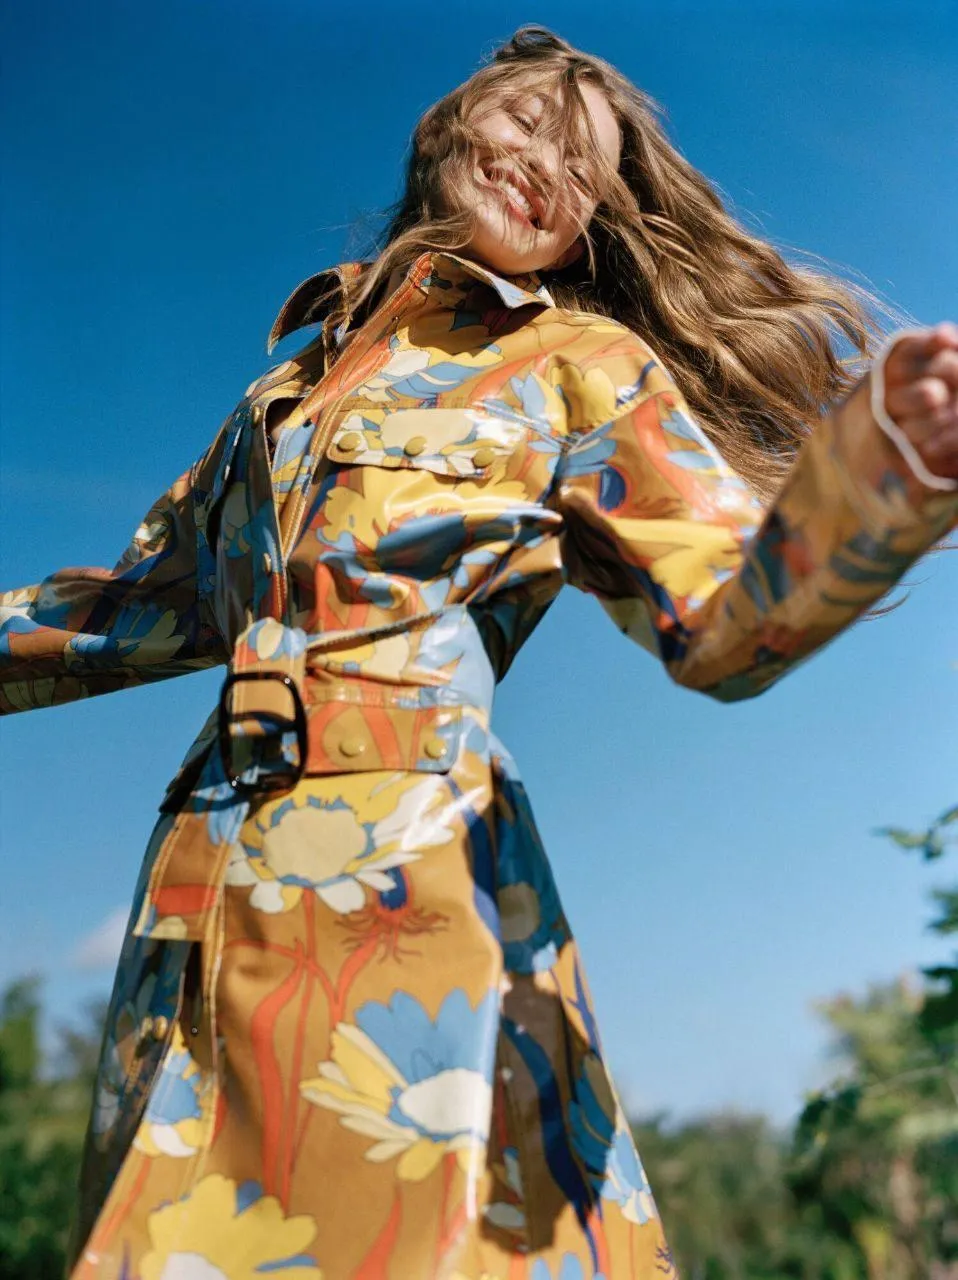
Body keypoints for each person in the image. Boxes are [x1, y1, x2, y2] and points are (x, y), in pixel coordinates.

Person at [2, 23, 957, 1280]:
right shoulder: (279, 399)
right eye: (531, 128)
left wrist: (879, 475)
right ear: (453, 123)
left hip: (416, 886)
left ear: (589, 229)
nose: (549, 170)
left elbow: (724, 629)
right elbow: (127, 610)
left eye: (586, 171)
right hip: (201, 896)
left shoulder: (577, 368)